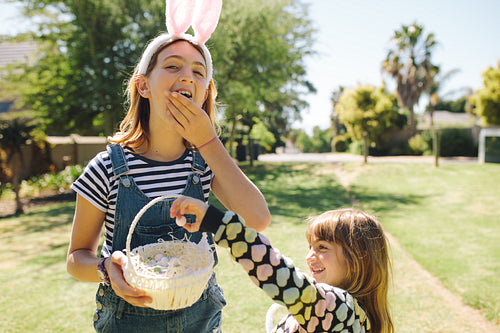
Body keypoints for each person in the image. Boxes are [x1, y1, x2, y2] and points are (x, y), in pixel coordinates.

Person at [66, 0, 270, 332]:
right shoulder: (105, 168)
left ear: (204, 94)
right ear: (143, 86)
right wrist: (106, 269)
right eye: (172, 66)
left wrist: (208, 142)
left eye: (198, 71)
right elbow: (76, 258)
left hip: (200, 319)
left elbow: (258, 219)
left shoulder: (204, 164)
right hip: (125, 322)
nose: (187, 76)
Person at [170, 196, 394, 333]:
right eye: (310, 247)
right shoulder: (349, 312)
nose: (309, 257)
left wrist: (218, 224)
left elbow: (281, 277)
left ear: (359, 259)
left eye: (322, 247)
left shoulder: (341, 310)